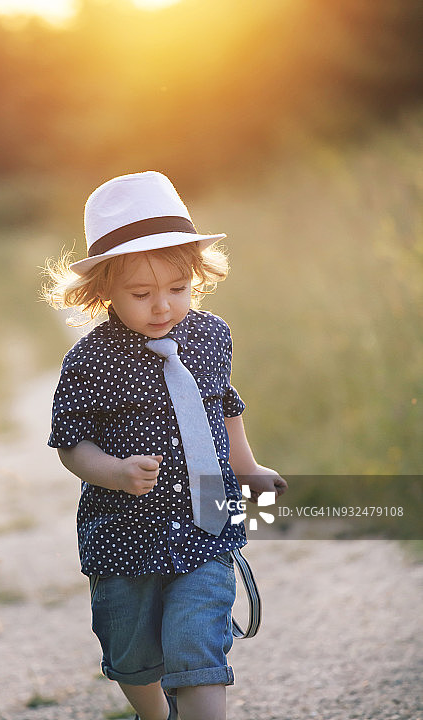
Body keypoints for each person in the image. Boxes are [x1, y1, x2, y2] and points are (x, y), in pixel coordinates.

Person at [44, 171, 287, 720]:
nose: (163, 306)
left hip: (206, 526)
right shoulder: (91, 360)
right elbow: (70, 442)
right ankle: (155, 714)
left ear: (196, 277)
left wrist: (247, 469)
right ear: (104, 290)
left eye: (178, 289)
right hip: (123, 533)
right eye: (141, 294)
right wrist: (112, 471)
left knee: (195, 644)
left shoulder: (209, 335)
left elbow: (223, 405)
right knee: (131, 653)